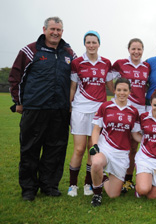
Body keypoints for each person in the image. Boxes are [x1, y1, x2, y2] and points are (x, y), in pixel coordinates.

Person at [8, 16, 76, 201]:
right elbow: (16, 77)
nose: (55, 33)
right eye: (52, 29)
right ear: (44, 29)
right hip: (35, 109)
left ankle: (49, 185)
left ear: (63, 31)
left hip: (60, 110)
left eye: (59, 30)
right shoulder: (30, 51)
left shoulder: (69, 53)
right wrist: (18, 101)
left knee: (55, 149)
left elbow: (77, 79)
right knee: (30, 149)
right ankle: (29, 189)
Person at [68, 30, 114, 197]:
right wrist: (70, 105)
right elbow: (73, 86)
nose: (91, 45)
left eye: (94, 42)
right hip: (80, 109)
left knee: (92, 148)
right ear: (85, 44)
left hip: (98, 111)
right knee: (79, 149)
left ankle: (88, 183)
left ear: (99, 44)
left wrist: (121, 100)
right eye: (88, 42)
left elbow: (110, 86)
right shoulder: (77, 63)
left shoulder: (106, 63)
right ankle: (72, 185)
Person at [89, 78, 141, 206]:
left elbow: (135, 134)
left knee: (113, 194)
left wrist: (148, 141)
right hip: (105, 148)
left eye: (125, 90)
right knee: (96, 163)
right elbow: (96, 129)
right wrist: (95, 145)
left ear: (129, 92)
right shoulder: (105, 106)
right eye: (119, 90)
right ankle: (97, 194)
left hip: (122, 154)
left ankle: (103, 178)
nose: (121, 93)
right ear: (114, 91)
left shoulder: (133, 111)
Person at [112, 38, 150, 194]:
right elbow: (109, 78)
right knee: (120, 143)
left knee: (134, 145)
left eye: (139, 49)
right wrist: (115, 96)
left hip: (140, 109)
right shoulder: (120, 63)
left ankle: (128, 179)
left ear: (142, 50)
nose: (136, 52)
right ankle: (116, 177)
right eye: (133, 49)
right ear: (128, 49)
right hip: (123, 107)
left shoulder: (147, 66)